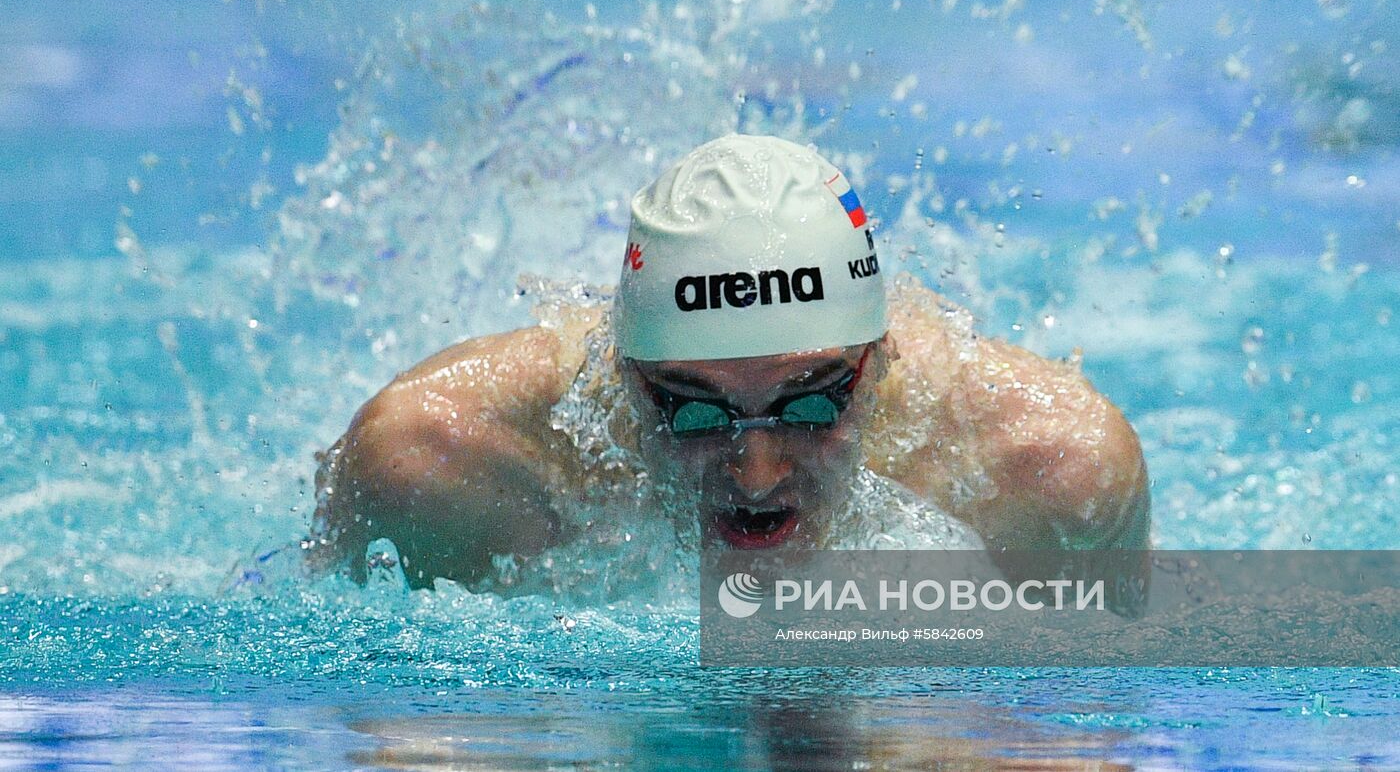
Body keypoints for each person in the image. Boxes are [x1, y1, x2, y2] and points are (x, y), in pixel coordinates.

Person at [309, 134, 1149, 596]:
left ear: (881, 358)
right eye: (693, 410)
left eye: (812, 406)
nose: (754, 473)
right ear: (621, 372)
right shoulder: (440, 463)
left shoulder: (1049, 473)